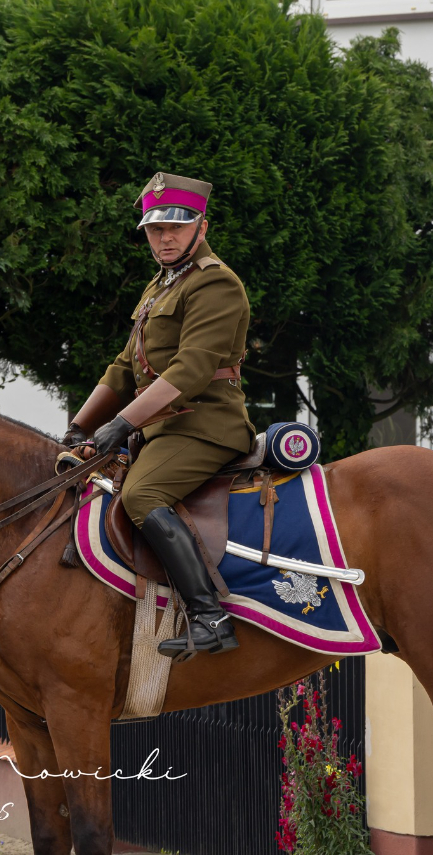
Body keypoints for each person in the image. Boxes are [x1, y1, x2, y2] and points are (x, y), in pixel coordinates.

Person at [63, 173, 255, 658]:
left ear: (201, 227)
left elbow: (192, 369)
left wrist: (123, 424)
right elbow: (125, 367)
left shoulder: (216, 283)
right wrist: (79, 427)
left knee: (142, 494)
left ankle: (211, 618)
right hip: (162, 428)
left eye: (177, 226)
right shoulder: (158, 287)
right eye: (155, 229)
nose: (165, 237)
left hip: (206, 425)